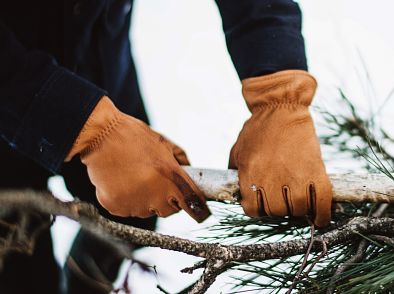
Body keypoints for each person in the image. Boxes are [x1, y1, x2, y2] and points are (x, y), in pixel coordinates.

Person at [0, 0, 332, 293]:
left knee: (133, 220)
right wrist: (88, 129)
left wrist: (279, 94)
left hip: (98, 65)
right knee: (19, 265)